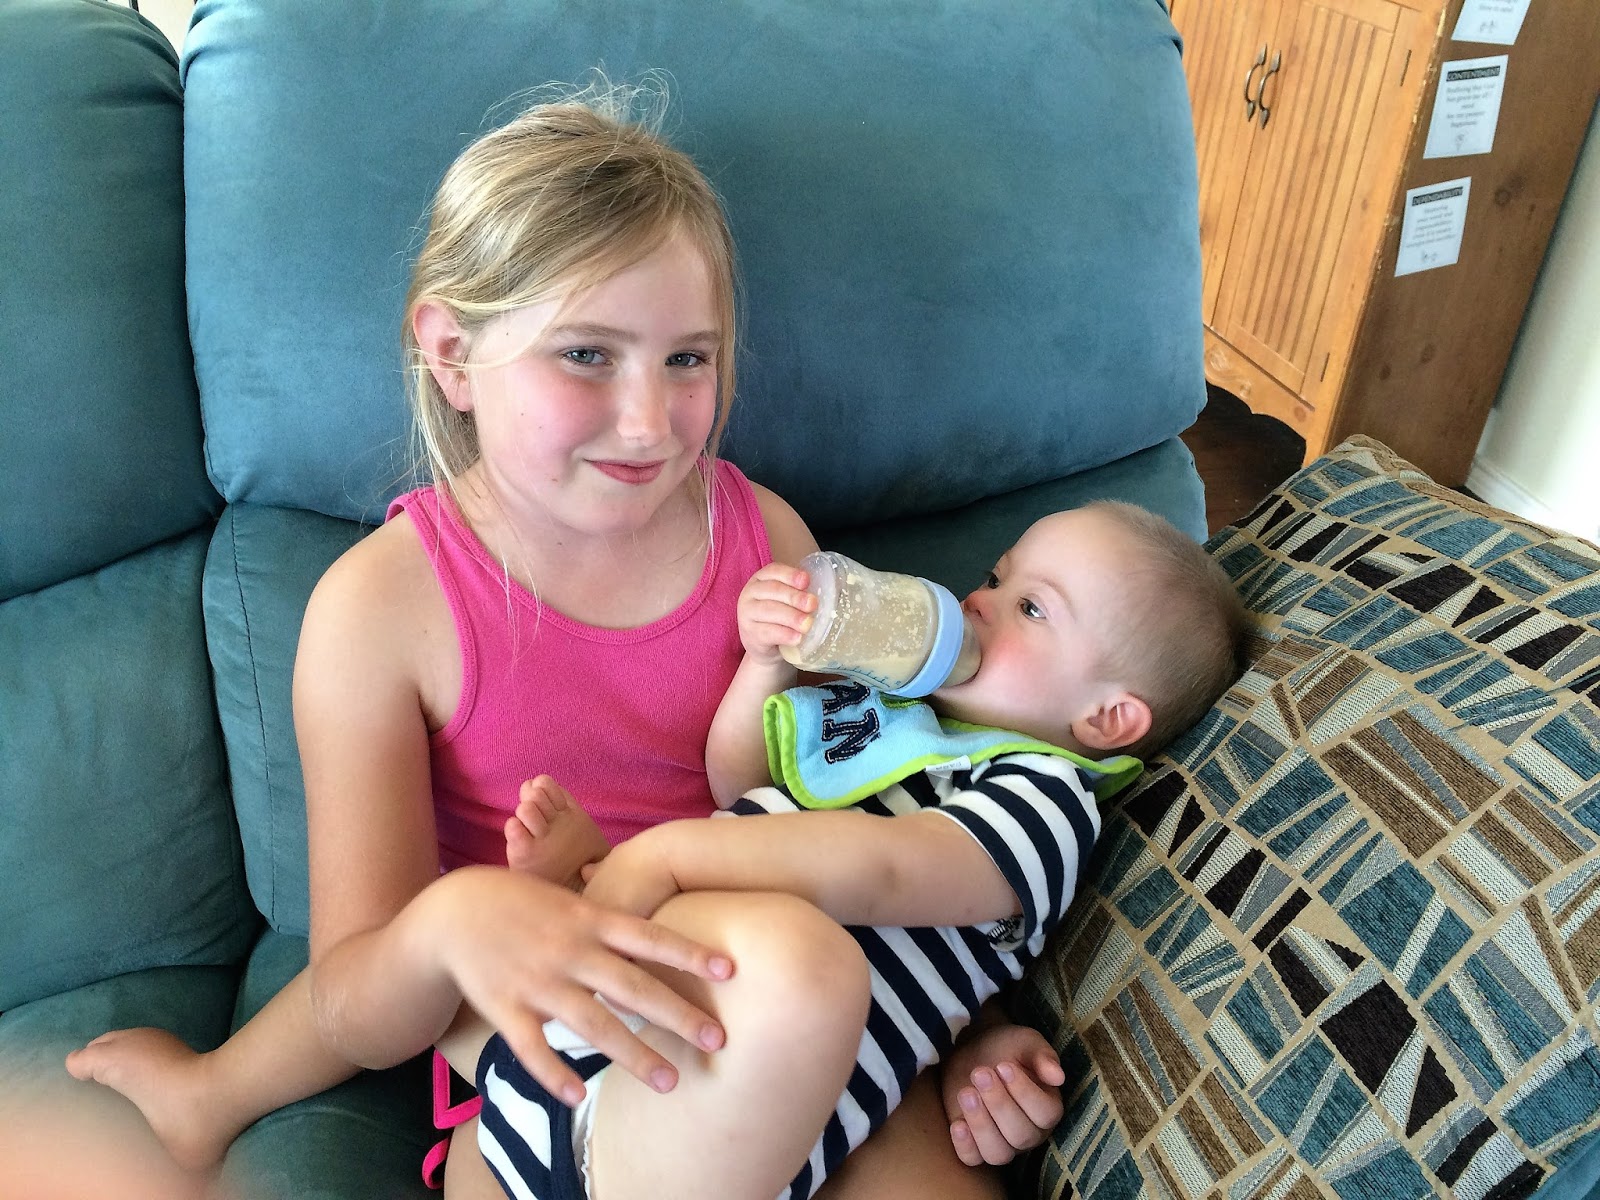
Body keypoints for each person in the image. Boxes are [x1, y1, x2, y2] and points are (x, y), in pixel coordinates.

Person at [62, 82, 1068, 1199]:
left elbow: (866, 810)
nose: (650, 422)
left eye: (689, 360)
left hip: (808, 1021)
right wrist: (454, 926)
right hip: (547, 1063)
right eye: (587, 354)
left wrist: (963, 1025)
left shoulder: (771, 546)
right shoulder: (379, 610)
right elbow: (353, 998)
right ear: (453, 354)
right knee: (791, 980)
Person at [385, 500, 1249, 1200]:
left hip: (699, 1127)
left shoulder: (1046, 802)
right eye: (996, 575)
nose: (981, 600)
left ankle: (592, 886)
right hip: (600, 1047)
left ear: (1107, 719)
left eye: (1032, 608)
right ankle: (577, 895)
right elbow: (740, 784)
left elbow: (885, 871)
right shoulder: (897, 716)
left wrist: (664, 858)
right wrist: (767, 664)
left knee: (792, 967)